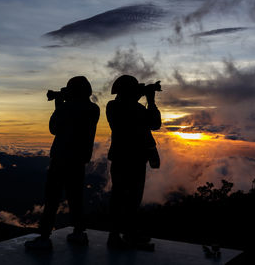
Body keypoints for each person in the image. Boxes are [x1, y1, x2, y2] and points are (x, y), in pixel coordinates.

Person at [25, 76, 100, 250]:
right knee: (76, 198)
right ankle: (79, 233)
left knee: (52, 198)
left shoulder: (66, 107)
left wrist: (59, 104)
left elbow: (54, 128)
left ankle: (44, 238)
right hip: (79, 159)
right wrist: (64, 100)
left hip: (61, 158)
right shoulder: (93, 109)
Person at [106, 75, 161, 250]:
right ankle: (115, 236)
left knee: (133, 199)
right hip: (124, 158)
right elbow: (148, 122)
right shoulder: (115, 106)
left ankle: (129, 234)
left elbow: (155, 124)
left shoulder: (135, 107)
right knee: (120, 198)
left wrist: (149, 100)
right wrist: (148, 98)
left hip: (136, 158)